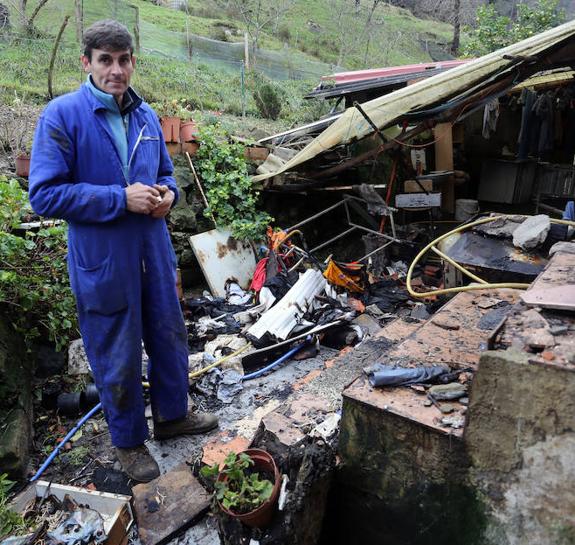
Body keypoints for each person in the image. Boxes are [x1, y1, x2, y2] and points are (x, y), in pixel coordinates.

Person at [29, 19, 218, 482]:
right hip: (103, 257)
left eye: (123, 60)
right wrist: (119, 198)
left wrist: (169, 195)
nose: (116, 70)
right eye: (105, 60)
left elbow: (168, 174)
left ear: (133, 61)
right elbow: (45, 194)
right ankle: (129, 441)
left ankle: (173, 417)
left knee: (169, 335)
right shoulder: (62, 116)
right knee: (116, 349)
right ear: (87, 63)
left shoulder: (146, 116)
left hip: (152, 250)